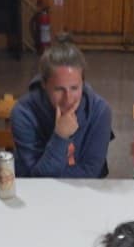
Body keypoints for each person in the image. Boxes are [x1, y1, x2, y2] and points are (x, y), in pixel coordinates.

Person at [10, 38, 112, 177]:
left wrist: (53, 176)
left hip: (83, 189)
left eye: (74, 88)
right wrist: (60, 136)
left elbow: (91, 173)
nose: (68, 99)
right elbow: (36, 180)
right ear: (44, 84)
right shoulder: (23, 113)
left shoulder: (100, 111)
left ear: (83, 83)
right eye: (59, 89)